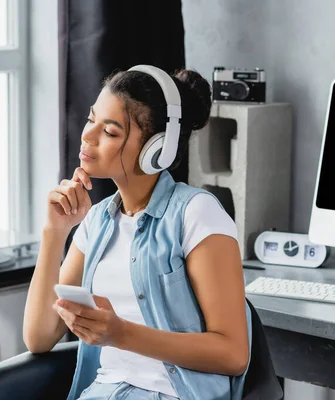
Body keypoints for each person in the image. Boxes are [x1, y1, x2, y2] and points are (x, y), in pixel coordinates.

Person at [23, 65, 252, 400]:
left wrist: (121, 334)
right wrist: (54, 232)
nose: (88, 136)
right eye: (91, 120)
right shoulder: (98, 221)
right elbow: (39, 338)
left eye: (111, 132)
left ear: (156, 149)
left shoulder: (196, 214)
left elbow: (233, 354)